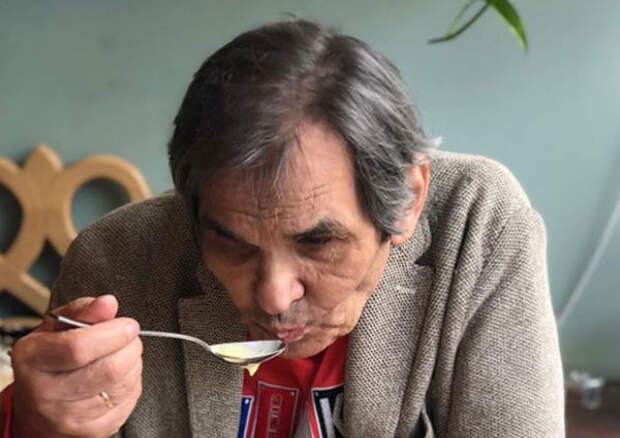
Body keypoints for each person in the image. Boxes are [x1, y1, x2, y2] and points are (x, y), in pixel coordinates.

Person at [1, 19, 564, 437]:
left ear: (408, 201)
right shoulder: (116, 263)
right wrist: (38, 426)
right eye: (231, 241)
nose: (273, 297)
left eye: (318, 241)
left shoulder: (477, 223)